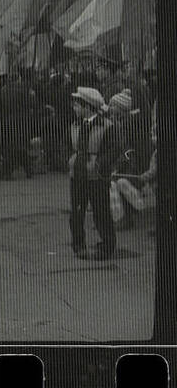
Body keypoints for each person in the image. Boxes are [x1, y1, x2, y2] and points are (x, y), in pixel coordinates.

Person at [68, 86, 122, 260]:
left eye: (77, 105)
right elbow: (67, 145)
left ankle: (107, 247)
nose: (74, 108)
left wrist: (99, 163)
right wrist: (69, 160)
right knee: (76, 212)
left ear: (88, 106)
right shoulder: (75, 125)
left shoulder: (106, 126)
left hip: (97, 176)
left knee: (101, 212)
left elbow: (114, 150)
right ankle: (78, 245)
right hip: (77, 174)